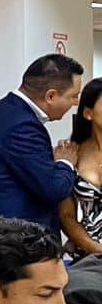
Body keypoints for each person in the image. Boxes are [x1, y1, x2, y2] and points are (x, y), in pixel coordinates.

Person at [0, 52, 83, 229]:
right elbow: (54, 188)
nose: (76, 102)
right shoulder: (23, 127)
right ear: (51, 96)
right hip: (15, 243)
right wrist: (65, 162)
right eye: (73, 96)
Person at [61, 77, 102, 257]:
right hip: (88, 254)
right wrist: (94, 249)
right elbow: (66, 216)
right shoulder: (71, 154)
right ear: (88, 113)